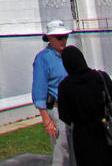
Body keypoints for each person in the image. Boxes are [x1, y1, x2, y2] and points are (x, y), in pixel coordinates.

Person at [58, 45, 112, 165]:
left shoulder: (65, 87)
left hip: (85, 141)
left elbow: (65, 117)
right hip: (108, 133)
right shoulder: (101, 77)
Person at [32, 20, 74, 165]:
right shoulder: (43, 58)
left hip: (72, 109)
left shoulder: (68, 55)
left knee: (74, 148)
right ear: (49, 38)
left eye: (65, 37)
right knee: (62, 149)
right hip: (56, 110)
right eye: (59, 37)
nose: (64, 40)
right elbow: (39, 91)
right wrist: (46, 120)